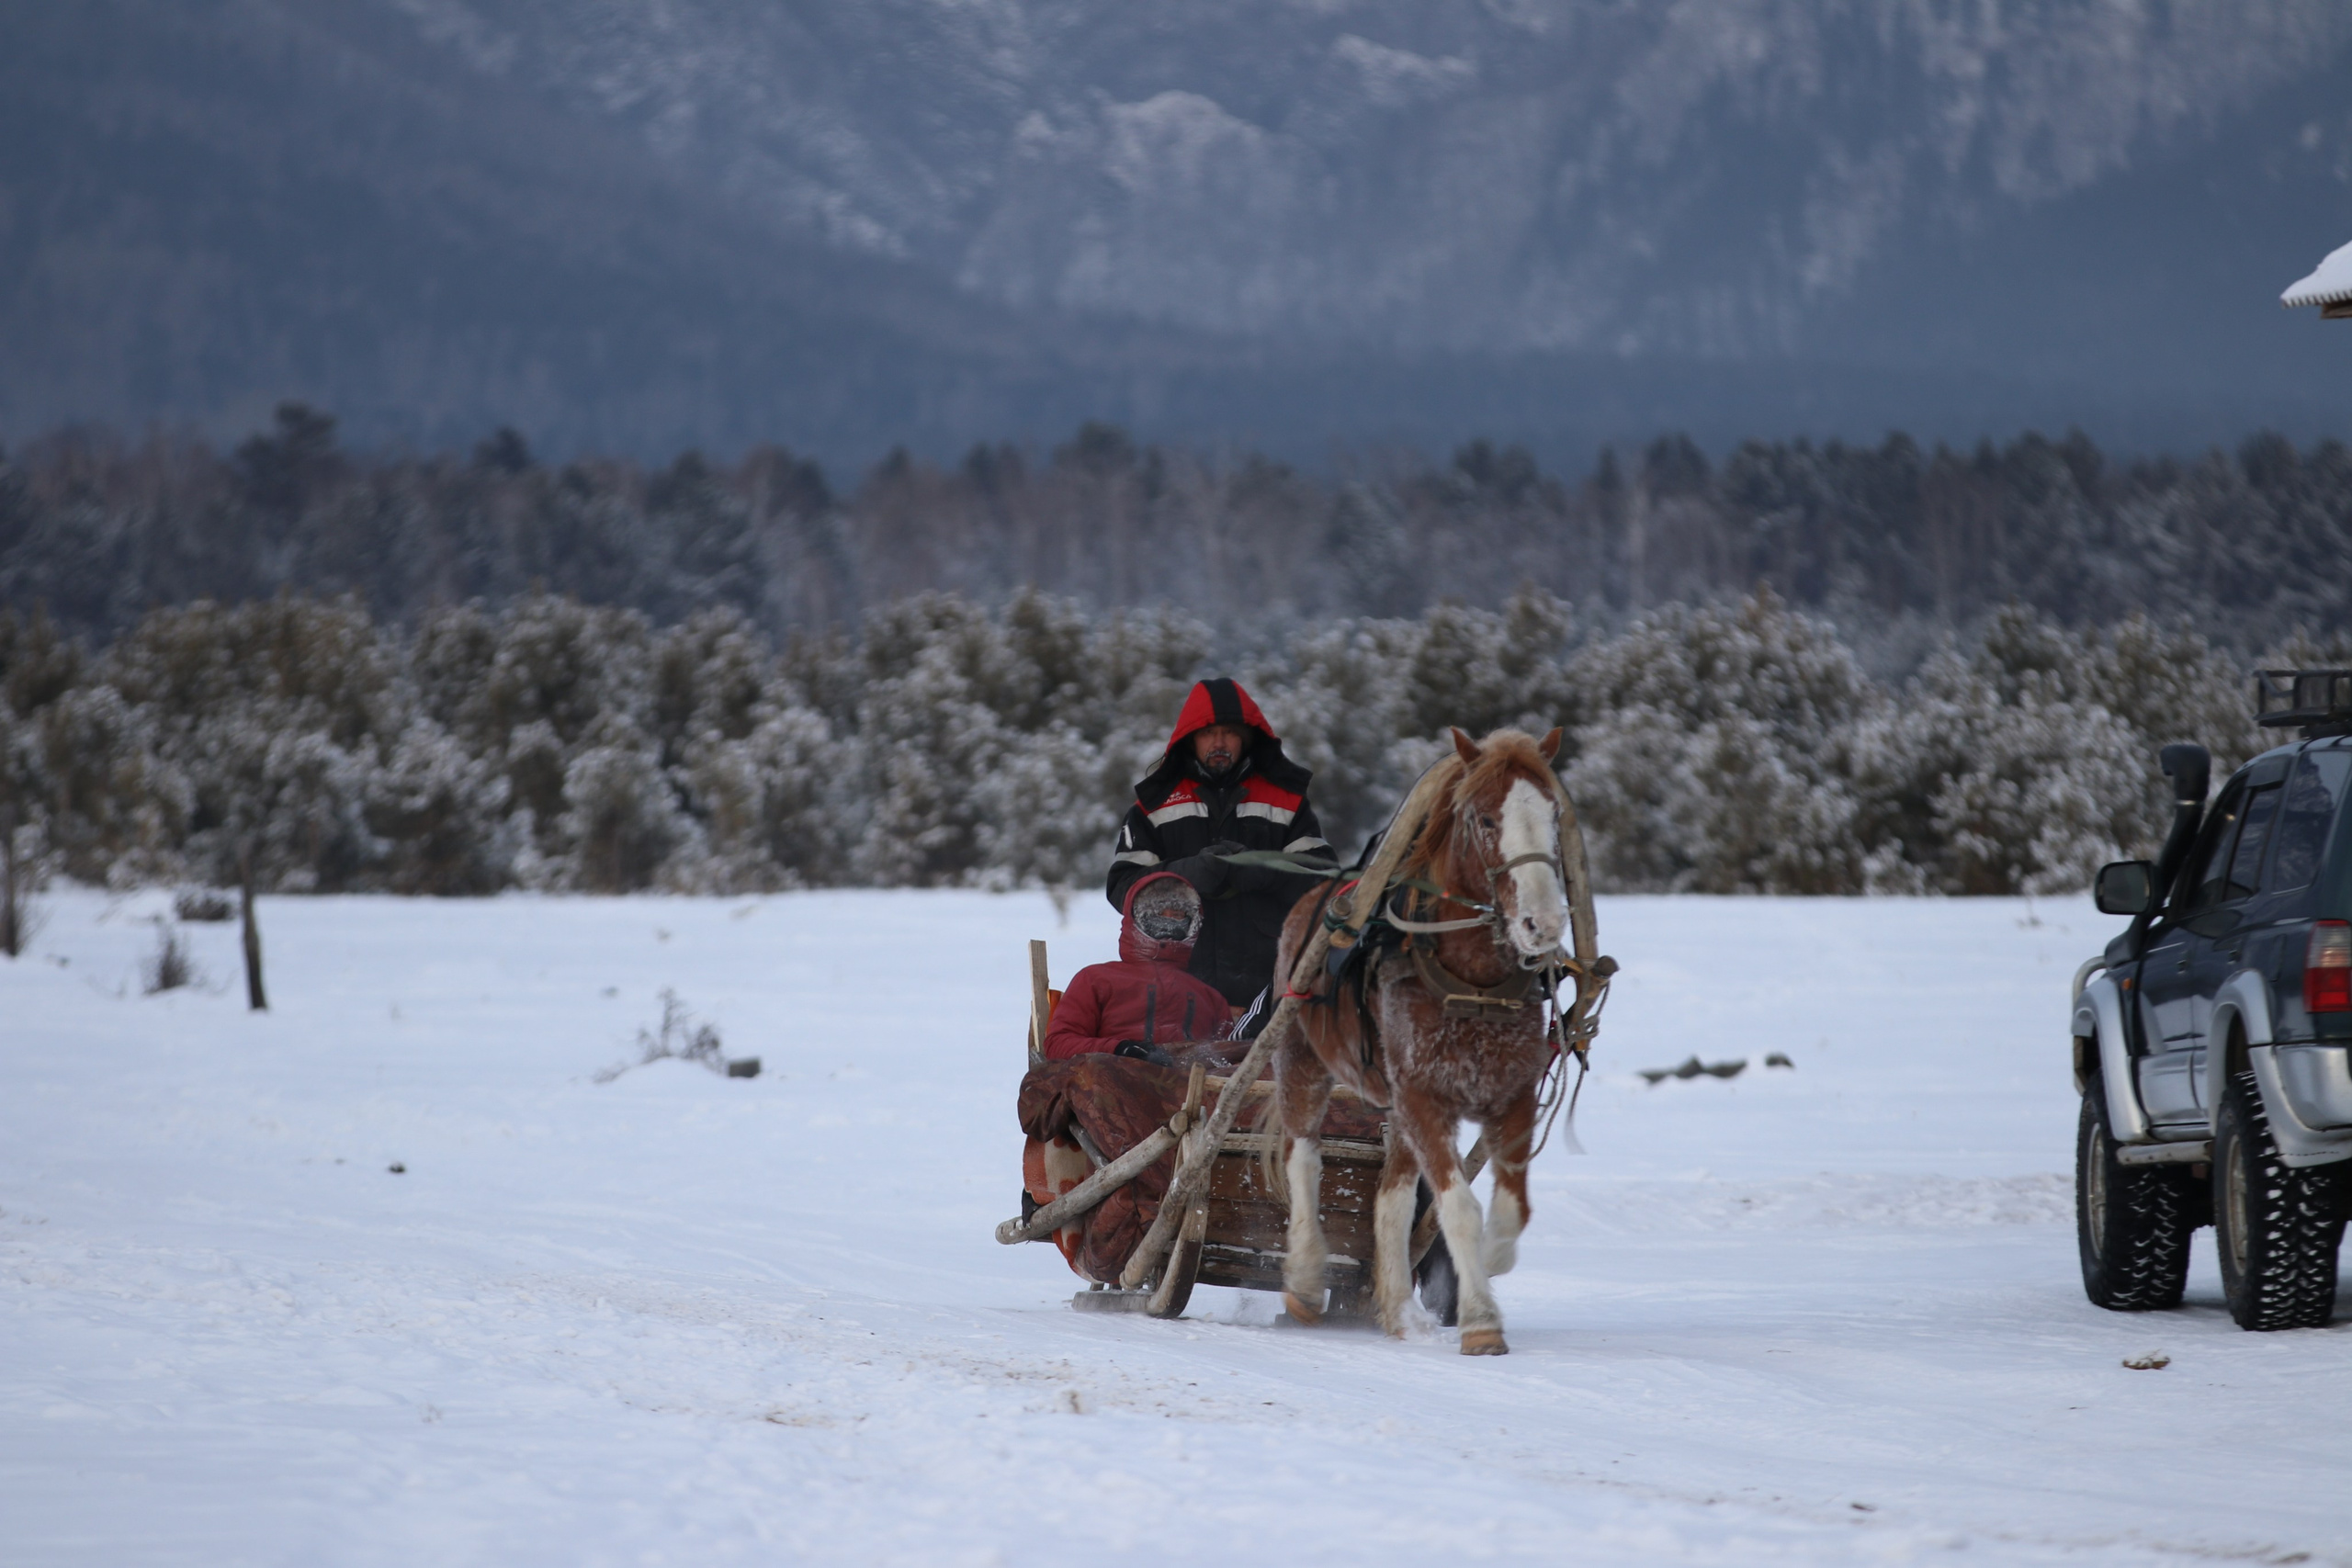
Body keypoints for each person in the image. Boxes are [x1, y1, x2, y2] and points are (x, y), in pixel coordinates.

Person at [1105, 677, 1334, 1021]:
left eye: (1229, 732)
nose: (1219, 742)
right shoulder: (1153, 805)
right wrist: (1189, 875)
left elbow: (1324, 882)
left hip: (1272, 987)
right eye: (1207, 732)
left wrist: (1262, 872)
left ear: (1246, 737)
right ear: (1189, 739)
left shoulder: (1287, 801)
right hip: (1176, 989)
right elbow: (1123, 889)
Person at [1045, 873, 1235, 1064]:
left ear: (1192, 922)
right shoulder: (1095, 979)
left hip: (1190, 1087)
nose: (1168, 922)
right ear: (1137, 917)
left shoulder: (1210, 997)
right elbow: (1058, 1044)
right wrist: (1119, 1049)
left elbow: (1230, 1058)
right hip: (1111, 1085)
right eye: (1158, 913)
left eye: (1178, 915)